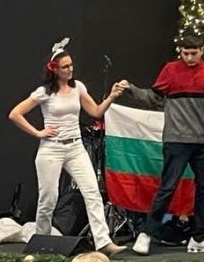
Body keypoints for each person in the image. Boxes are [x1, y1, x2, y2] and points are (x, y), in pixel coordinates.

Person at [7, 39, 128, 257]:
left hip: (75, 147)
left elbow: (96, 112)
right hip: (51, 149)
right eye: (65, 67)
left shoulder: (78, 87)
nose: (70, 69)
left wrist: (111, 96)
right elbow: (15, 114)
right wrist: (38, 132)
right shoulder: (44, 92)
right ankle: (42, 243)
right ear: (54, 69)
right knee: (48, 199)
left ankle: (103, 242)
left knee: (92, 192)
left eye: (71, 65)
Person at [126, 36, 204, 255]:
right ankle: (147, 234)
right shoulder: (170, 70)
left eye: (194, 53)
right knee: (168, 187)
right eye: (185, 53)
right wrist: (131, 89)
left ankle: (199, 237)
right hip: (175, 140)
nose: (189, 58)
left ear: (202, 51)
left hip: (201, 141)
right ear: (179, 51)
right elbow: (154, 97)